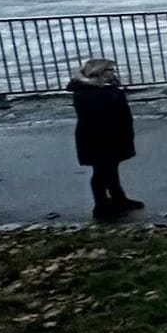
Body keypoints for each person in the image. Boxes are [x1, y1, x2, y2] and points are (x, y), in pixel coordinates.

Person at [68, 58, 142, 220]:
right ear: (100, 72)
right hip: (99, 137)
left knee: (111, 168)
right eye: (110, 70)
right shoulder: (86, 92)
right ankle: (100, 207)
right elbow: (100, 113)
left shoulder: (101, 89)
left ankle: (118, 198)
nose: (114, 73)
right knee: (101, 171)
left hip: (111, 135)